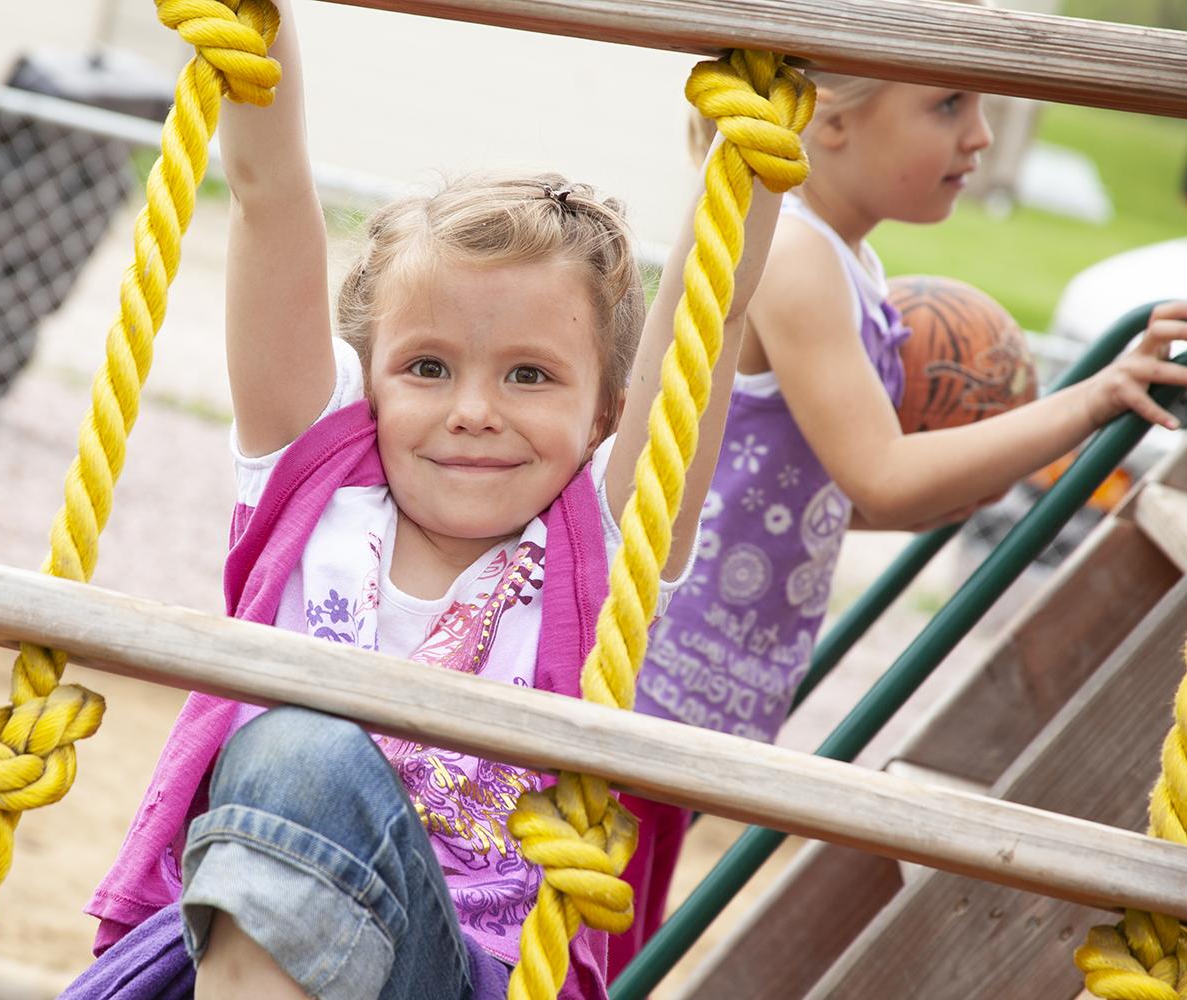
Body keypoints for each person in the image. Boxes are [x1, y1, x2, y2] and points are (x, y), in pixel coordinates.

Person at [63, 3, 798, 999]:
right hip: (241, 943)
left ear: (604, 417)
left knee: (304, 755)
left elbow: (708, 320)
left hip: (456, 972)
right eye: (428, 366)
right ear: (367, 381)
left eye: (531, 376)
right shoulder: (313, 484)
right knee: (301, 756)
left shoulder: (601, 550)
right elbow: (269, 191)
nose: (474, 411)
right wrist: (253, 28)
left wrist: (738, 179)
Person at [634, 67, 1187, 760]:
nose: (981, 136)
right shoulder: (793, 253)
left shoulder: (849, 259)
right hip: (664, 667)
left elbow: (797, 492)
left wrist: (945, 488)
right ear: (829, 119)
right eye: (949, 104)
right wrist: (1095, 396)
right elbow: (883, 475)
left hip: (722, 675)